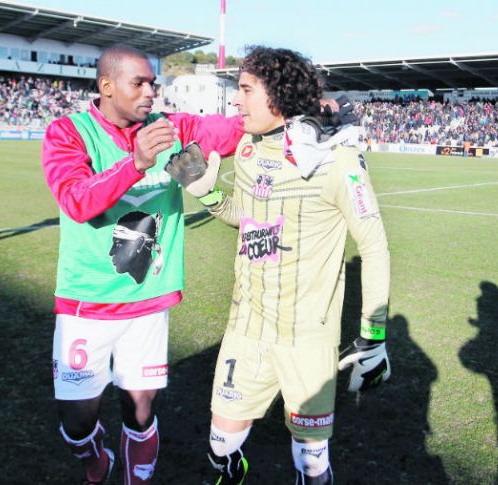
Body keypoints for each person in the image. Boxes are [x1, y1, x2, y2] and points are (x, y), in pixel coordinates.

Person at [176, 46, 391, 484]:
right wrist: (208, 193)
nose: (237, 100)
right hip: (247, 327)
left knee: (312, 466)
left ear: (277, 93)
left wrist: (374, 337)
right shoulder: (250, 150)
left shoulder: (338, 160)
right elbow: (246, 218)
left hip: (306, 339)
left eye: (245, 90)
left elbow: (374, 246)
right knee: (220, 446)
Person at [41, 44, 243, 485]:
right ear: (107, 86)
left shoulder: (168, 128)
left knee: (140, 408)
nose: (151, 91)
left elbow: (228, 132)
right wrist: (136, 163)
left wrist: (285, 109)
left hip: (147, 301)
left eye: (153, 82)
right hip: (86, 304)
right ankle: (96, 457)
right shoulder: (67, 133)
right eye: (139, 83)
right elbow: (76, 201)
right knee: (77, 421)